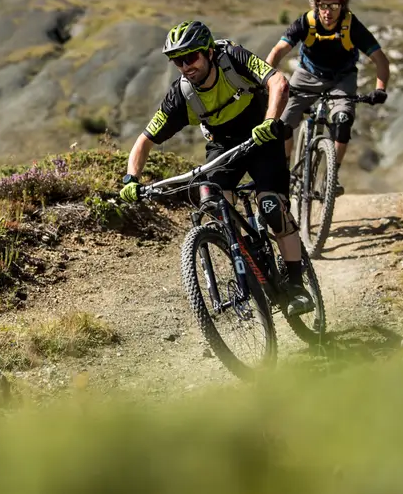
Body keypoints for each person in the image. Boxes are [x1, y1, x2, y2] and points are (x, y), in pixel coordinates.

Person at [118, 19, 313, 317]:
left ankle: (297, 285)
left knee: (272, 207)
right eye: (177, 61)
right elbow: (145, 139)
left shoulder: (233, 57)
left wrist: (270, 122)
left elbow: (278, 82)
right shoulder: (181, 95)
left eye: (191, 57)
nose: (185, 66)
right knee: (210, 200)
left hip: (263, 136)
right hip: (224, 148)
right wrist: (131, 178)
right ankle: (247, 257)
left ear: (208, 52)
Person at [266, 0, 390, 196]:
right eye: (323, 5)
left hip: (342, 78)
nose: (328, 11)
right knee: (283, 125)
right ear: (316, 5)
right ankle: (284, 170)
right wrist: (266, 78)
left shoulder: (352, 26)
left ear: (342, 5)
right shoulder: (306, 22)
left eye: (334, 5)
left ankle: (332, 178)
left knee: (342, 121)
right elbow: (277, 52)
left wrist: (380, 89)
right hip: (307, 74)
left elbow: (380, 60)